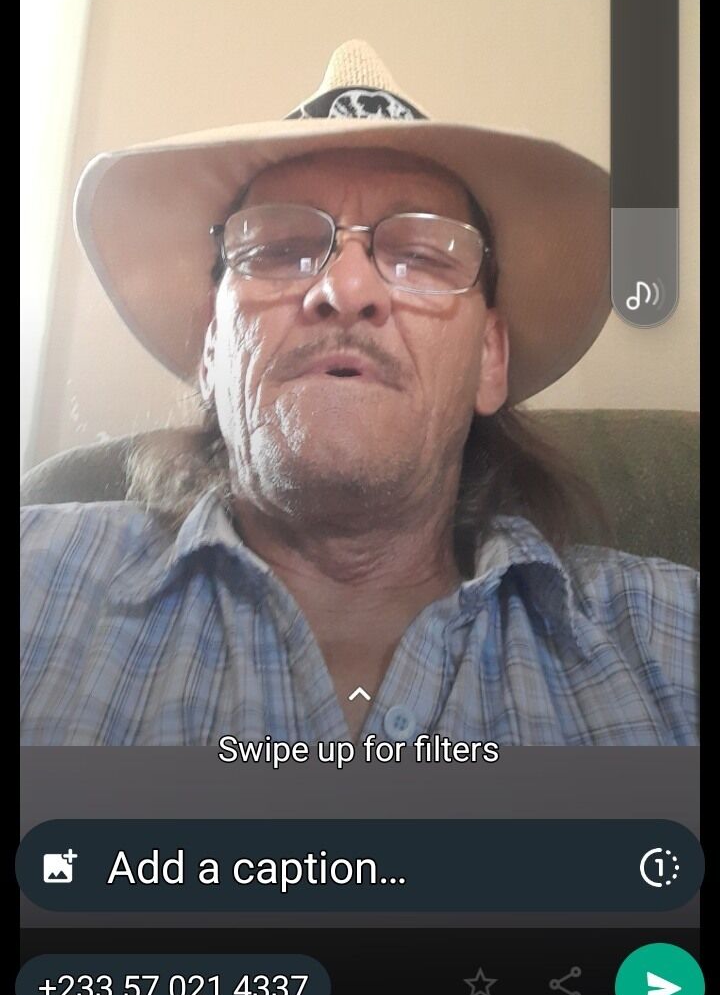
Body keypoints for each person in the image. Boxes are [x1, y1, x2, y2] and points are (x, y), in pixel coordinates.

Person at [20, 41, 698, 745]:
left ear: (490, 358)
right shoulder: (35, 579)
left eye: (421, 255)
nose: (345, 289)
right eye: (278, 248)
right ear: (212, 347)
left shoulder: (670, 639)